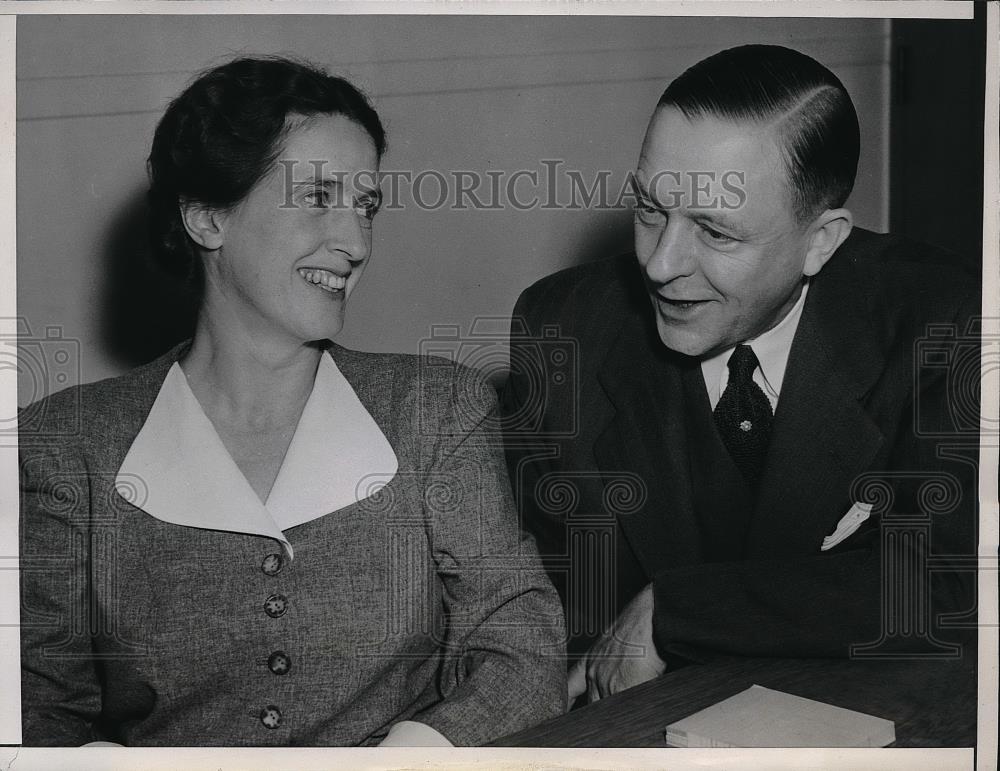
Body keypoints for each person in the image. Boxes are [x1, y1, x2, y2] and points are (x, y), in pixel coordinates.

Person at [20, 55, 566, 746]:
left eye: (365, 205)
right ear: (208, 217)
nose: (355, 242)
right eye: (318, 197)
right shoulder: (65, 445)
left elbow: (522, 647)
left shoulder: (438, 409)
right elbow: (36, 711)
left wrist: (408, 759)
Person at [502, 44, 978, 704]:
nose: (661, 264)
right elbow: (538, 611)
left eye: (716, 233)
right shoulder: (564, 329)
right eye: (648, 209)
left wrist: (677, 612)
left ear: (822, 241)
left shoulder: (942, 320)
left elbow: (944, 585)